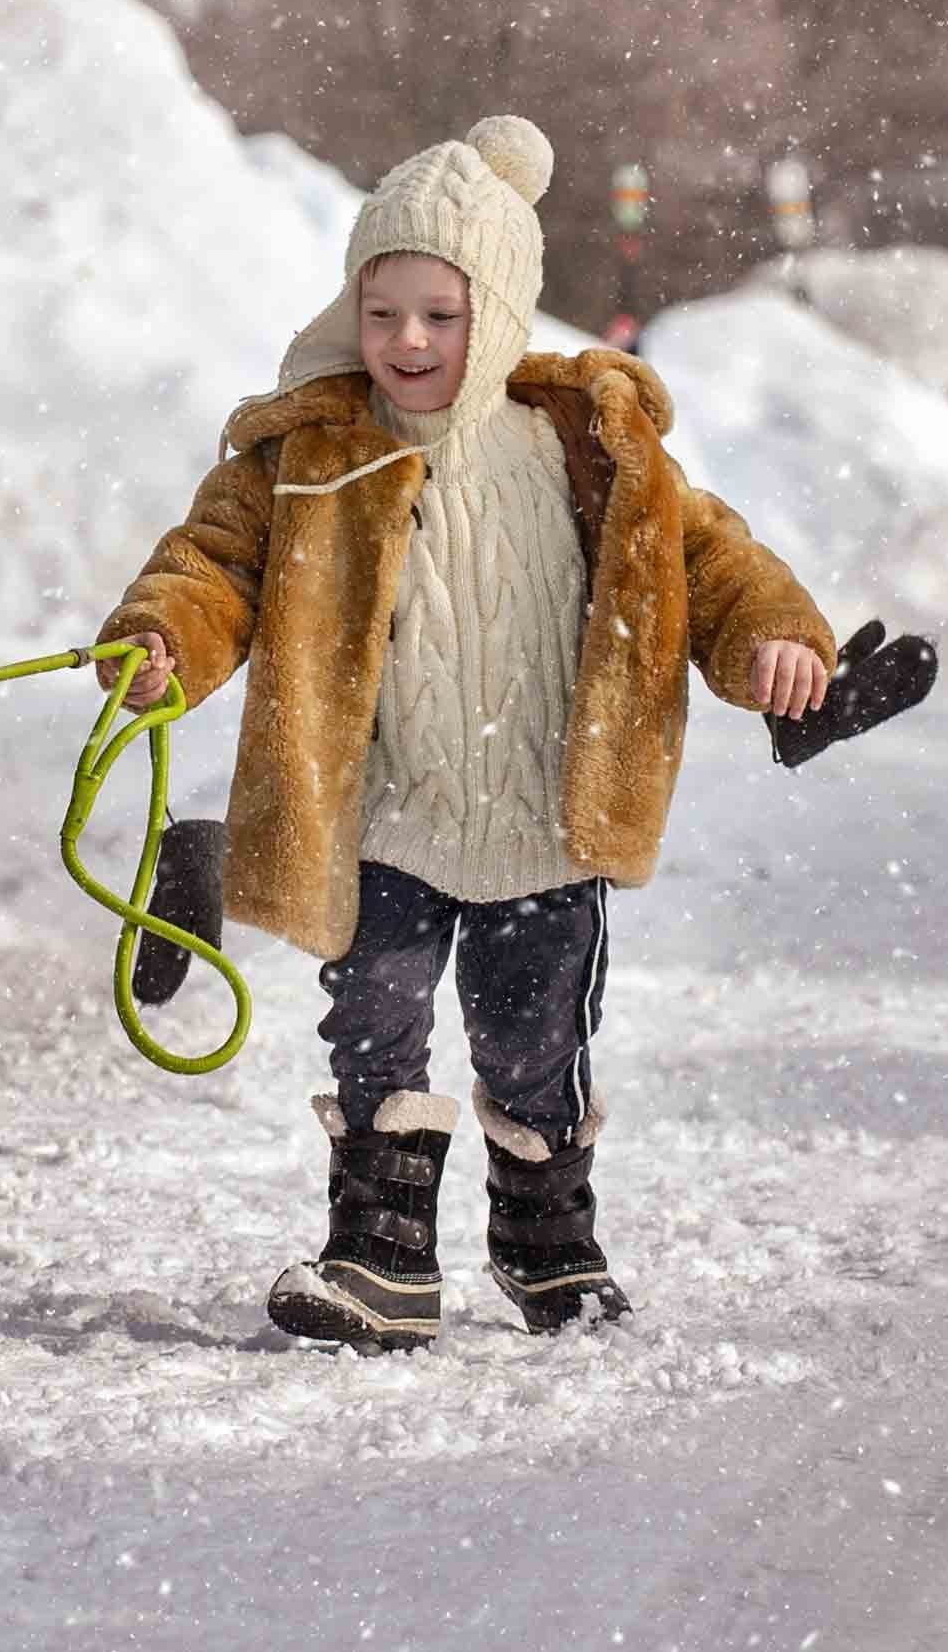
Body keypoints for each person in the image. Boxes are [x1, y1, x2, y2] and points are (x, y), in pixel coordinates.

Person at [95, 116, 835, 1351]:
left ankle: (546, 1241)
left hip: (546, 820)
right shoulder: (312, 454)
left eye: (439, 314)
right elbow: (213, 564)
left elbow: (707, 560)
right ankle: (377, 1254)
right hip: (381, 816)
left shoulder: (586, 444)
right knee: (372, 1026)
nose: (407, 341)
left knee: (534, 1041)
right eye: (381, 311)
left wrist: (772, 637)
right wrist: (165, 636)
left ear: (494, 312)